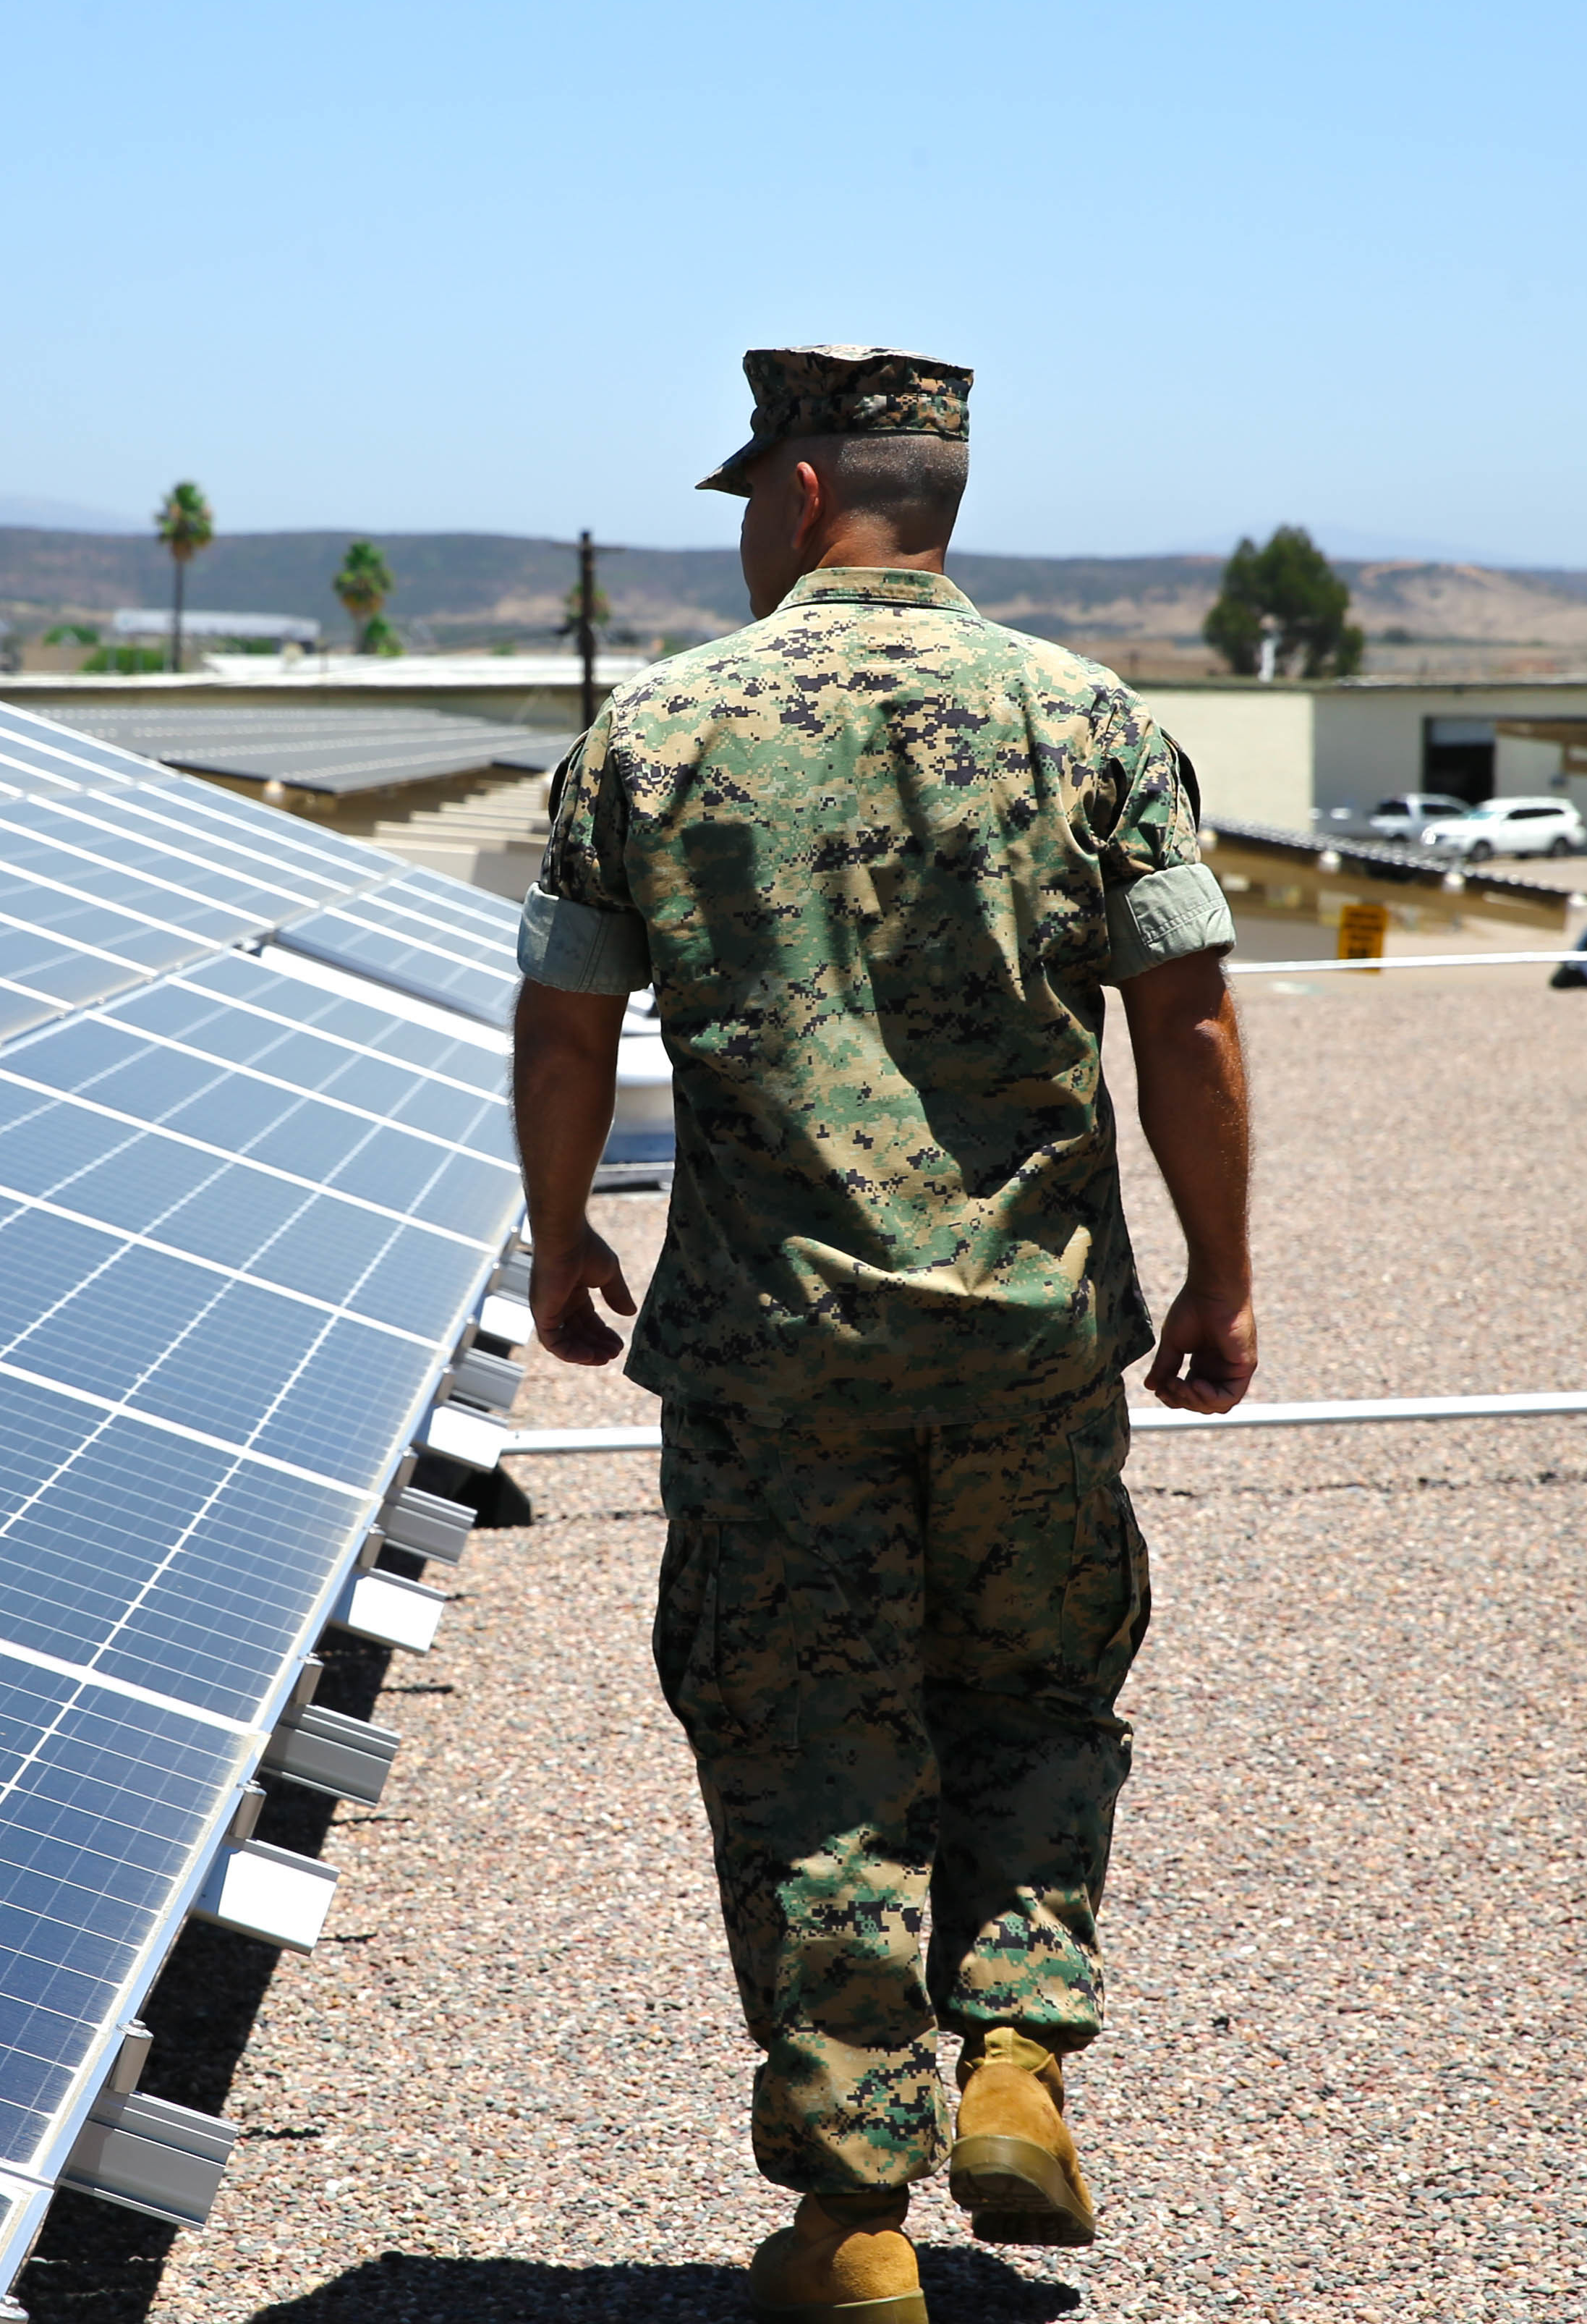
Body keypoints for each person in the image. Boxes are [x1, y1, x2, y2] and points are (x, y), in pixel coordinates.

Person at [512, 346, 1258, 2323]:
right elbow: (1186, 1015)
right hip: (1028, 1338)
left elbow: (570, 1017)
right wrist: (1222, 1272)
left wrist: (564, 1228)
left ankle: (854, 2222)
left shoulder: (657, 732)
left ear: (802, 488)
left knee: (810, 1746)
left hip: (777, 1355)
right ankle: (1018, 2055)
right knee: (1033, 1684)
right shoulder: (1088, 720)